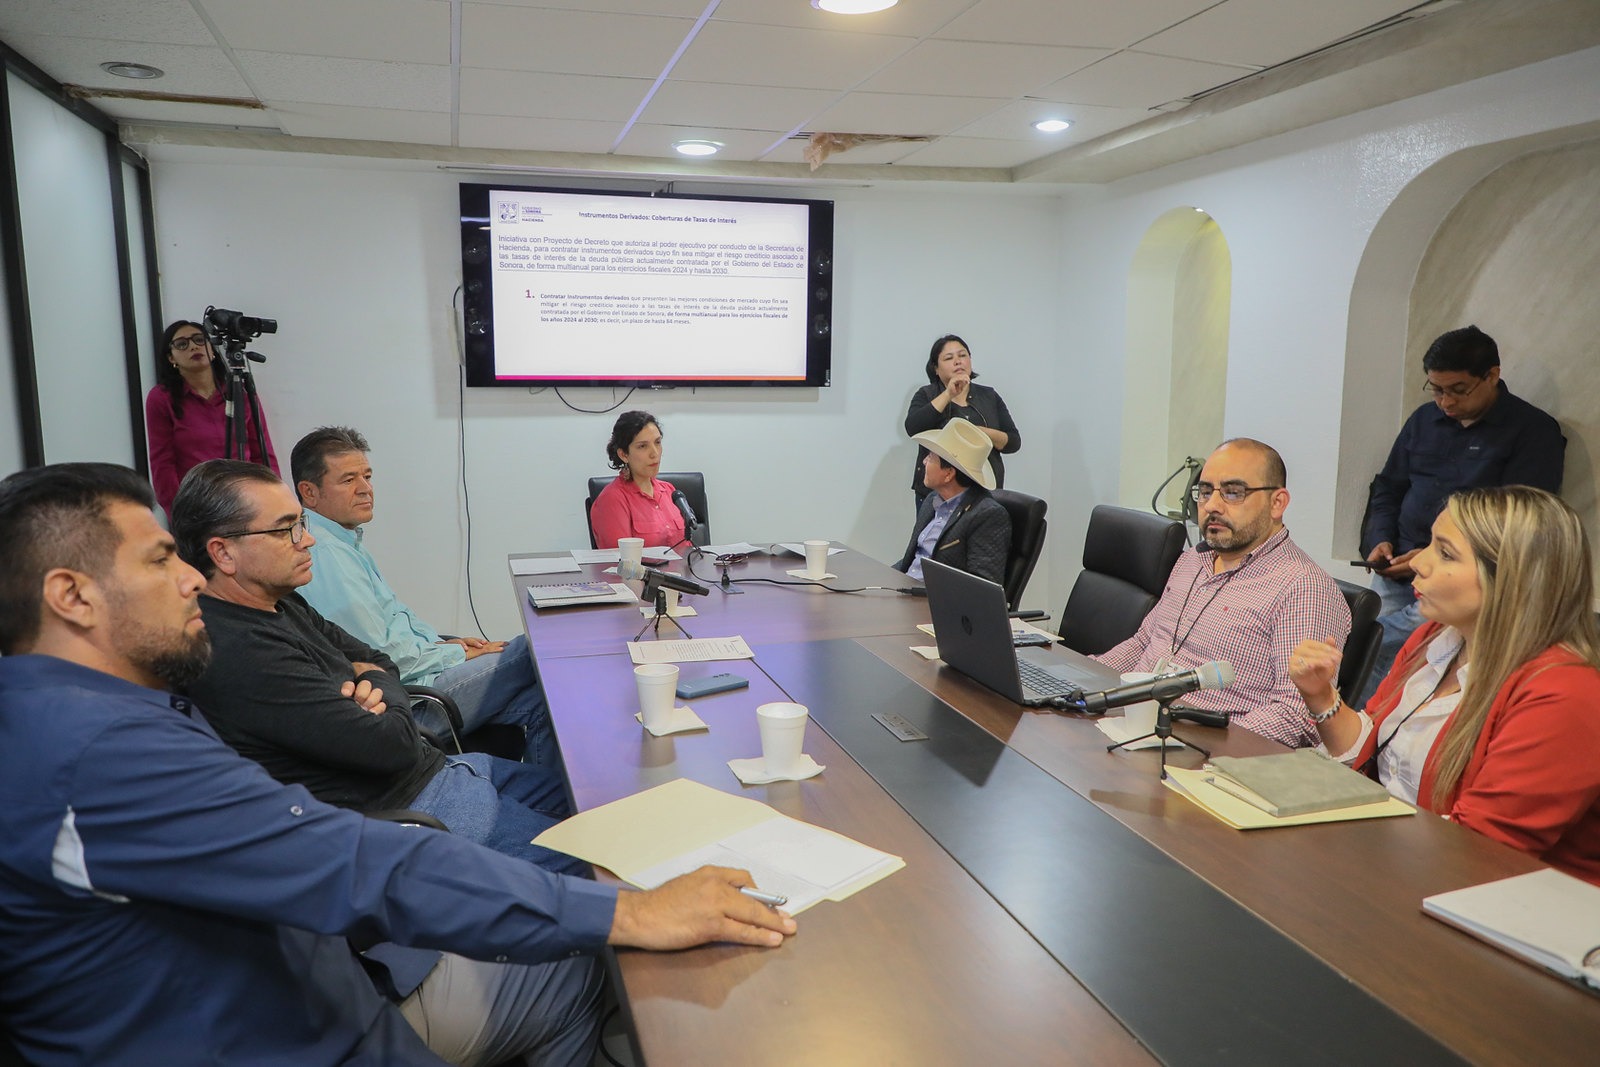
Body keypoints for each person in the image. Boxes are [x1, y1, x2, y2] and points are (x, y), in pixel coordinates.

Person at [0, 462, 796, 1067]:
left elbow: (371, 675)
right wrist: (627, 914)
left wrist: (374, 690)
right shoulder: (94, 753)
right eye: (159, 560)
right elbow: (354, 863)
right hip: (319, 1020)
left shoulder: (79, 715)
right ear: (72, 595)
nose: (188, 581)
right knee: (597, 956)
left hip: (323, 976)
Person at [170, 459, 571, 871]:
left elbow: (378, 660)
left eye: (300, 524)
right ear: (223, 553)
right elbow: (392, 745)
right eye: (285, 529)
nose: (307, 539)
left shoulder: (281, 602)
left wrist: (373, 678)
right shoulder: (241, 651)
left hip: (444, 770)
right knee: (597, 861)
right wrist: (372, 679)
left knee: (598, 803)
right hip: (419, 809)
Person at [1291, 486, 1600, 885]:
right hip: (1402, 873)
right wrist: (1321, 696)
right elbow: (1372, 748)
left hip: (1487, 902)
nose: (1419, 562)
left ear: (1511, 580)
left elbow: (1477, 854)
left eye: (1446, 553)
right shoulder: (1437, 638)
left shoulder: (1564, 695)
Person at [291, 427, 554, 767]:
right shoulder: (325, 554)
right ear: (309, 492)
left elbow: (394, 620)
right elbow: (381, 658)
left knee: (544, 702)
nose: (365, 488)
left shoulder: (343, 540)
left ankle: (553, 797)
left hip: (423, 678)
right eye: (348, 480)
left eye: (367, 476)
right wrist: (456, 654)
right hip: (411, 702)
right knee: (539, 647)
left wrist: (445, 645)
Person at [1094, 439, 1350, 748]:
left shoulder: (1303, 588)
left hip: (1205, 753)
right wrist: (1085, 683)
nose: (1212, 506)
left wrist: (1201, 748)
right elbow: (1144, 642)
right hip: (1135, 727)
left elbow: (1295, 715)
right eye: (1205, 492)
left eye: (1233, 492)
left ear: (1277, 503)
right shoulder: (1193, 560)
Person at [1359, 325, 1564, 702]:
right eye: (1436, 389)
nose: (1446, 402)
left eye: (1458, 389)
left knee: (1378, 644)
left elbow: (1519, 524)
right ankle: (1365, 729)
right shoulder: (1423, 420)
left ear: (1492, 376)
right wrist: (1380, 539)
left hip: (1466, 582)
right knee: (1372, 663)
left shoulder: (1533, 431)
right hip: (1396, 572)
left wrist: (1431, 554)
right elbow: (1388, 487)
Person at [145, 319, 280, 515]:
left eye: (199, 340)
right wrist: (180, 514)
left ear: (212, 349)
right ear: (171, 357)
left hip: (247, 500)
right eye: (182, 344)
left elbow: (262, 451)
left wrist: (274, 499)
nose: (193, 346)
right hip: (198, 505)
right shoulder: (161, 398)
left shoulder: (240, 391)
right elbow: (162, 465)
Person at [904, 334, 1021, 510]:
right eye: (949, 358)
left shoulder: (989, 396)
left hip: (983, 492)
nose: (958, 361)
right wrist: (948, 394)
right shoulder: (927, 394)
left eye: (962, 355)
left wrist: (980, 433)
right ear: (936, 368)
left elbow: (1013, 442)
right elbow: (913, 427)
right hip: (936, 493)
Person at [892, 419, 1011, 585]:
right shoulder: (931, 500)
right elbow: (912, 560)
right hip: (906, 589)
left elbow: (982, 585)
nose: (924, 462)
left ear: (948, 474)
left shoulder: (987, 515)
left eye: (930, 457)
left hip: (934, 598)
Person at [589, 410, 689, 550]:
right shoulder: (612, 499)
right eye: (643, 446)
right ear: (624, 454)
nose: (654, 453)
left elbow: (688, 548)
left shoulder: (670, 491)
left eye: (657, 442)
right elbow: (620, 559)